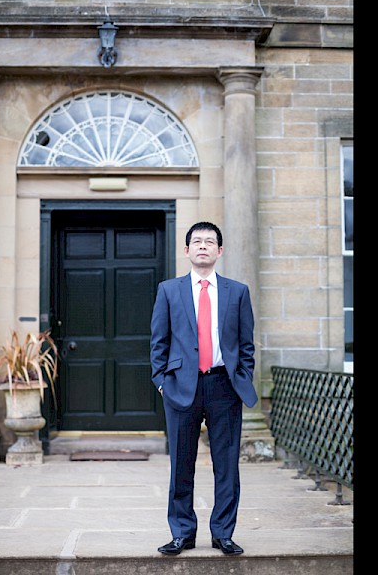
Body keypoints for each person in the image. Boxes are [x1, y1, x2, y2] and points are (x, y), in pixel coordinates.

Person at [150, 221, 259, 556]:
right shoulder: (169, 290)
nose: (202, 246)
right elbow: (159, 342)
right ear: (186, 250)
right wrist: (161, 383)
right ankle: (182, 533)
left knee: (226, 463)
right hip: (181, 386)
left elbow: (246, 344)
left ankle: (222, 533)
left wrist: (242, 375)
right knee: (181, 464)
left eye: (209, 242)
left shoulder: (237, 292)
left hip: (224, 386)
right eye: (196, 241)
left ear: (219, 251)